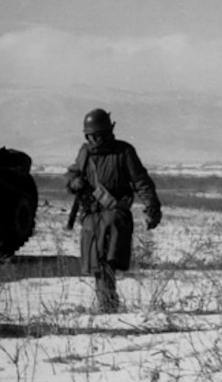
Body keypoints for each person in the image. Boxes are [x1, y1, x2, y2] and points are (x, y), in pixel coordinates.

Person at [66, 108, 162, 313]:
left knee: (108, 262)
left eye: (98, 134)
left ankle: (107, 305)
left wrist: (152, 207)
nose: (95, 139)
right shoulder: (84, 153)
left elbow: (141, 181)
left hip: (115, 215)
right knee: (96, 264)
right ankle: (107, 304)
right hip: (91, 216)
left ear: (108, 132)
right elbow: (72, 173)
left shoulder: (124, 151)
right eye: (91, 135)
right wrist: (75, 182)